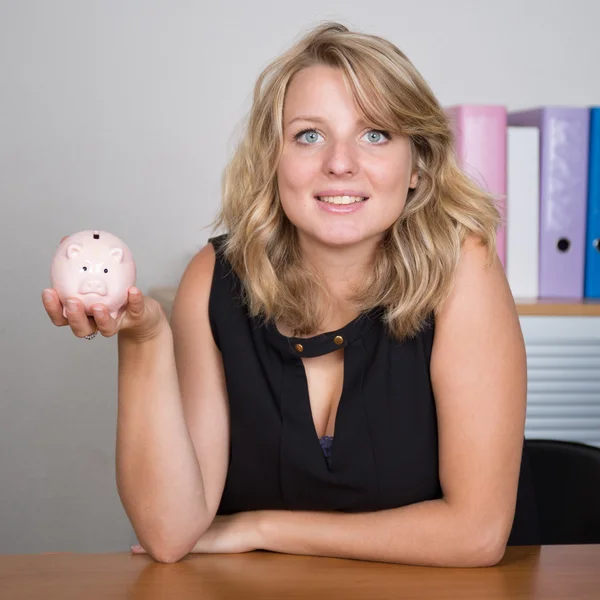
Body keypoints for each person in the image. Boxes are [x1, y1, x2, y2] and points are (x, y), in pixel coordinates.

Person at [42, 22, 539, 566]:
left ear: (417, 164)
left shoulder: (463, 269)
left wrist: (261, 527)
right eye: (309, 135)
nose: (341, 162)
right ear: (272, 159)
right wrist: (145, 340)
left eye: (375, 134)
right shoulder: (213, 278)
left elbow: (477, 534)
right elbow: (168, 533)